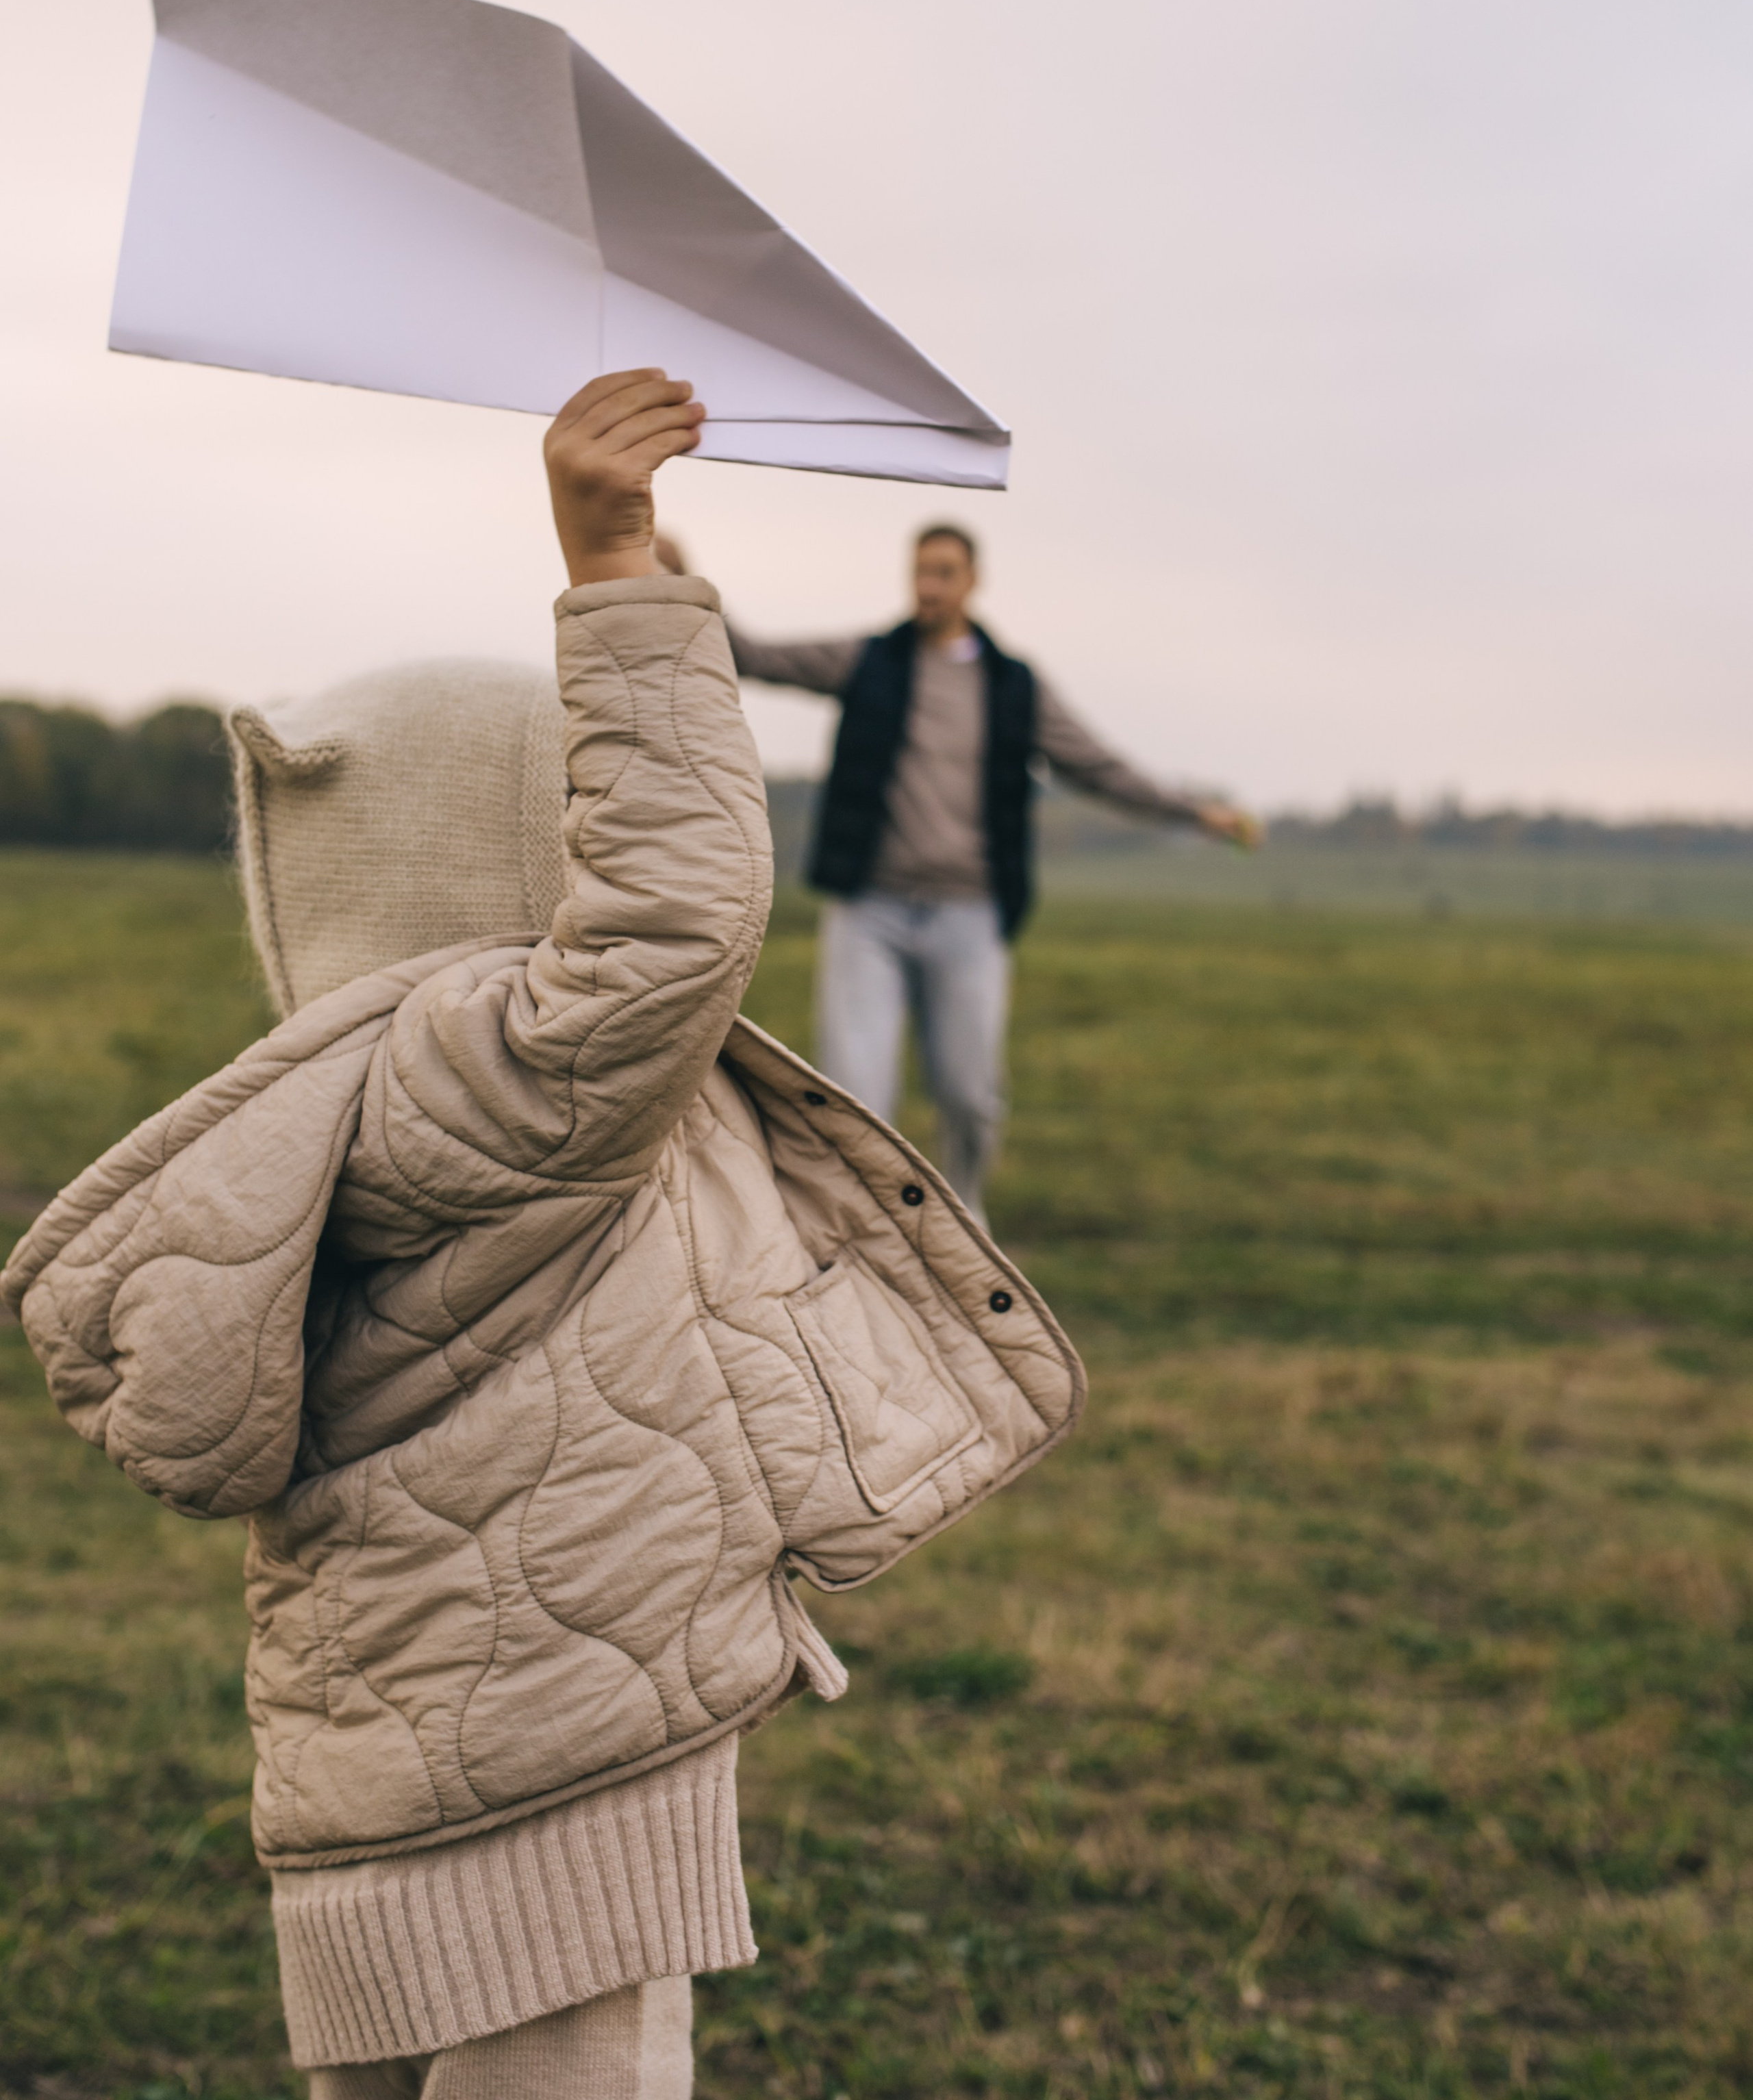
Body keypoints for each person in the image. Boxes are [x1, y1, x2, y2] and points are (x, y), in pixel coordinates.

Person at [2, 373, 1083, 2100]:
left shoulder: (350, 1108)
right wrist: (616, 572)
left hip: (386, 1777)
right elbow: (679, 909)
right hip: (555, 1772)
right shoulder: (500, 1077)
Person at [716, 523, 1260, 1216]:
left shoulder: (1012, 687)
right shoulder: (869, 661)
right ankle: (856, 1234)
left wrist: (1193, 813)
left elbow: (1097, 767)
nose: (929, 587)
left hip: (968, 916)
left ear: (973, 582)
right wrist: (681, 578)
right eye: (920, 572)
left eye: (944, 573)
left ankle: (965, 1221)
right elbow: (755, 656)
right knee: (855, 1090)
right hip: (869, 911)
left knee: (970, 1095)